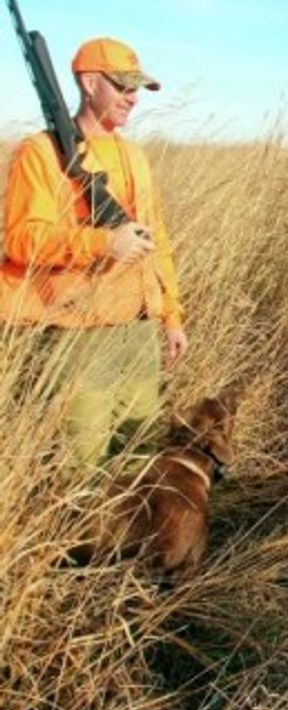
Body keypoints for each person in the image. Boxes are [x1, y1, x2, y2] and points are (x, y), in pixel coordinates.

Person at [2, 37, 187, 470]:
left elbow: (156, 239)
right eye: (122, 86)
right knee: (80, 465)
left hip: (137, 328)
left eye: (136, 88)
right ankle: (80, 540)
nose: (132, 98)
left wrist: (171, 315)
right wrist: (103, 244)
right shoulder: (41, 152)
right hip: (78, 332)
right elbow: (21, 238)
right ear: (89, 83)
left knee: (138, 454)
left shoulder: (134, 156)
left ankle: (128, 541)